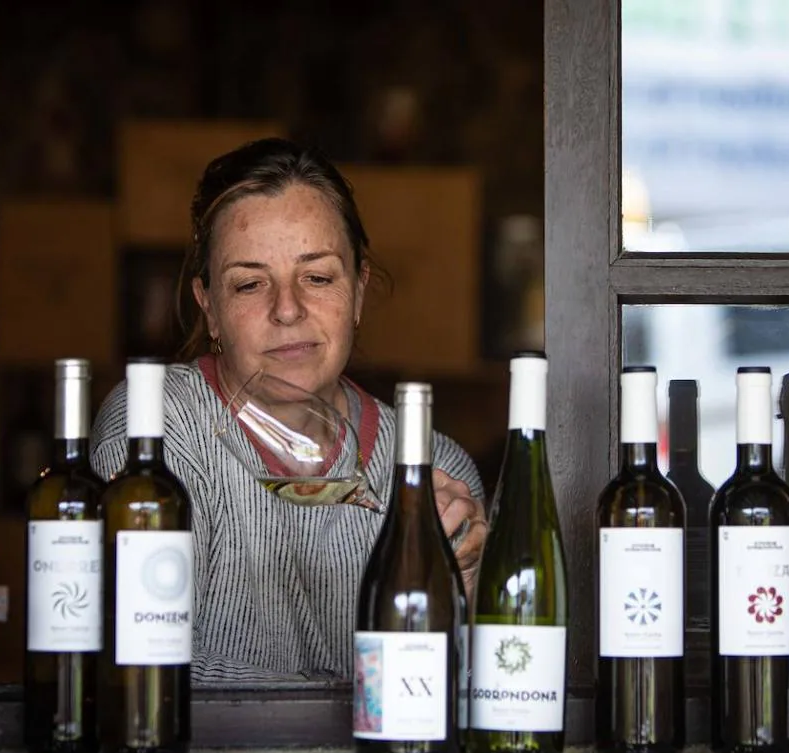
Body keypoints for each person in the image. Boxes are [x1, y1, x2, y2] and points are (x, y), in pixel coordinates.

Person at [90, 137, 489, 686]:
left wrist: (464, 583)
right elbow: (147, 674)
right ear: (209, 307)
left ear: (359, 291)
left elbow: (469, 700)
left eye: (318, 277)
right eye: (250, 283)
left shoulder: (438, 467)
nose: (287, 309)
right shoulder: (156, 426)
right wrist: (356, 694)